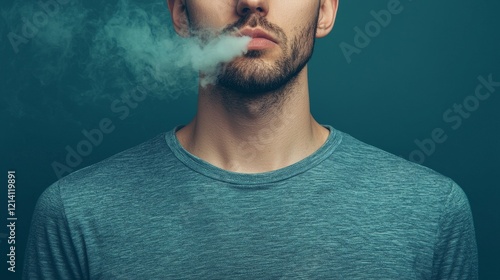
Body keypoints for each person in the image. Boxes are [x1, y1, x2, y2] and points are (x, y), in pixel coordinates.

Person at [24, 0, 478, 279]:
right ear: (180, 12)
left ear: (325, 10)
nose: (252, 3)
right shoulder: (74, 215)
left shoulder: (432, 212)